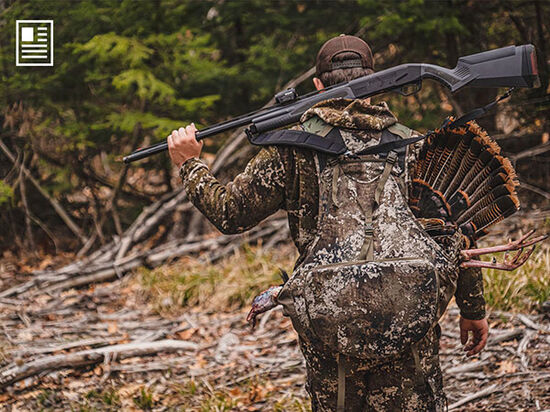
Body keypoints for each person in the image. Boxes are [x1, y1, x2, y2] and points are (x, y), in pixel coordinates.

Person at [167, 35, 489, 411]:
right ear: (376, 80)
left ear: (318, 85)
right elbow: (455, 232)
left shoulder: (291, 148)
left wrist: (190, 164)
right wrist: (473, 309)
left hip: (329, 327)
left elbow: (231, 213)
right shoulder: (415, 146)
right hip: (408, 318)